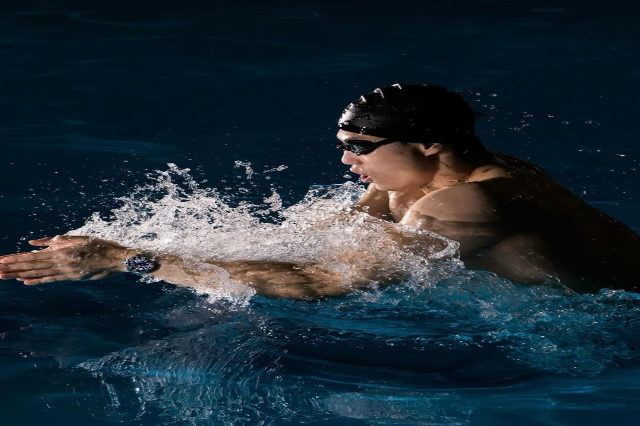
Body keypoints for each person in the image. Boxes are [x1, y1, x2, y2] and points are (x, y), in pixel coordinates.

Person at [1, 84, 639, 297]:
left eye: (359, 149)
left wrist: (125, 258)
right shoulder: (435, 175)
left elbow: (323, 286)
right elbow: (315, 241)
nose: (345, 160)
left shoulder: (467, 203)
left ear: (430, 144)